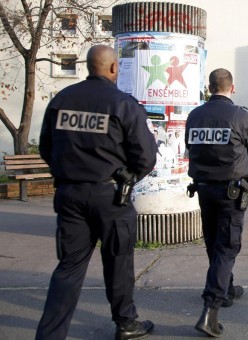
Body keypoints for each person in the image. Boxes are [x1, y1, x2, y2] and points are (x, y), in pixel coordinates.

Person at [36, 45, 157, 340]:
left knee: (69, 267)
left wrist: (68, 173)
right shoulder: (123, 104)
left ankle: (50, 335)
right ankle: (126, 324)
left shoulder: (62, 99)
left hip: (70, 194)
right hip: (111, 197)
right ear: (114, 68)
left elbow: (46, 147)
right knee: (118, 261)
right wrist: (128, 177)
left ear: (88, 66)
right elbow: (146, 155)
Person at [185, 68, 248, 337]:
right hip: (231, 192)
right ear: (232, 87)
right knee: (227, 246)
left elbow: (189, 148)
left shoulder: (195, 116)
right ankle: (210, 310)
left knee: (213, 242)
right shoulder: (241, 116)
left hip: (204, 190)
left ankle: (226, 289)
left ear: (209, 88)